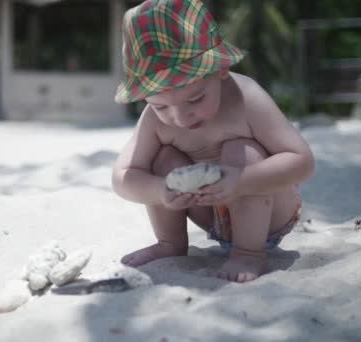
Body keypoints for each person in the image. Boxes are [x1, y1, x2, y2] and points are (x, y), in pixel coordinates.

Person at [111, 0, 315, 283]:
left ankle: (248, 252)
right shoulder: (155, 120)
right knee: (163, 159)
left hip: (269, 214)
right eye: (161, 106)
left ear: (220, 70)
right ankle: (170, 243)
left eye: (195, 99)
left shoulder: (246, 99)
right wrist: (160, 190)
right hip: (210, 214)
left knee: (240, 150)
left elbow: (302, 162)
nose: (180, 118)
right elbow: (123, 177)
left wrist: (242, 180)